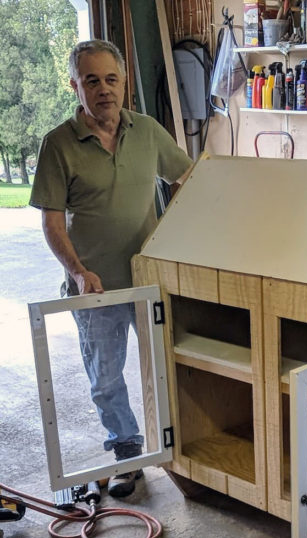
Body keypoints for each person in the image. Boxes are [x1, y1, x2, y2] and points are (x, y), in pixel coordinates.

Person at [30, 40, 192, 498]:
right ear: (75, 86)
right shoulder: (58, 145)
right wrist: (78, 271)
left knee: (168, 366)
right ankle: (128, 455)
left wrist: (175, 237)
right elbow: (51, 221)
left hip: (149, 282)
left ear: (125, 83)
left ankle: (180, 452)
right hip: (96, 287)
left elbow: (187, 180)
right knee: (105, 377)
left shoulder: (148, 132)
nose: (104, 90)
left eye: (112, 79)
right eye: (92, 80)